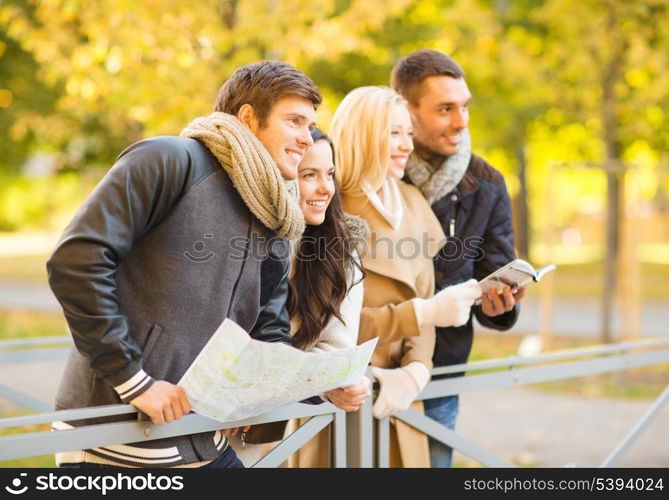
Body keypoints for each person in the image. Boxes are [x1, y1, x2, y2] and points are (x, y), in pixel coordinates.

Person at [47, 61, 358, 469]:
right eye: (295, 121)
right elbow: (76, 260)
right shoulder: (169, 160)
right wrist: (134, 382)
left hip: (204, 441)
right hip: (118, 436)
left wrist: (319, 387)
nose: (307, 137)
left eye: (310, 124)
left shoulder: (276, 213)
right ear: (248, 117)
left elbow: (267, 336)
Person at [330, 86, 481, 467]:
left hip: (402, 400)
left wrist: (416, 370)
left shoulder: (412, 201)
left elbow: (427, 299)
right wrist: (421, 314)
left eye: (407, 133)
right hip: (341, 402)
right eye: (393, 133)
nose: (406, 146)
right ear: (363, 135)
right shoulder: (329, 208)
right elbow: (325, 324)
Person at [391, 49, 525, 467]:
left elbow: (494, 270)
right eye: (445, 109)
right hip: (369, 366)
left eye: (463, 106)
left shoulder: (486, 183)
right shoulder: (373, 171)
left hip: (440, 371)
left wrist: (500, 305)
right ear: (406, 110)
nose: (461, 122)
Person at [230, 129, 371, 466]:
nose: (325, 188)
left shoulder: (342, 255)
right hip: (205, 413)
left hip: (271, 424)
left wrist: (328, 384)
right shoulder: (246, 238)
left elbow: (335, 351)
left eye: (330, 174)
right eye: (310, 175)